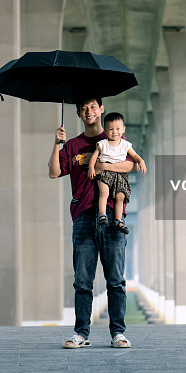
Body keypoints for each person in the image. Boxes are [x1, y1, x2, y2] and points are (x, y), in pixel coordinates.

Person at [48, 96, 139, 349]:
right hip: (83, 217)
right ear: (78, 113)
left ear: (101, 110)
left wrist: (99, 164)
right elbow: (54, 172)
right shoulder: (74, 145)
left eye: (93, 107)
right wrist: (57, 144)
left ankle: (118, 333)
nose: (89, 111)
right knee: (83, 280)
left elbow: (131, 164)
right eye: (83, 108)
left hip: (112, 216)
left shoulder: (113, 140)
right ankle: (81, 333)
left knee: (115, 280)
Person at [87, 112, 146, 234]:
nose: (115, 132)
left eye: (118, 129)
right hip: (105, 173)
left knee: (121, 197)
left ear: (123, 129)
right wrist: (91, 168)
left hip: (120, 175)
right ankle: (102, 215)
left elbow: (135, 156)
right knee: (104, 192)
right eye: (111, 129)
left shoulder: (126, 145)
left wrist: (141, 161)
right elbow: (94, 156)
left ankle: (118, 220)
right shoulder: (102, 144)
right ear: (105, 130)